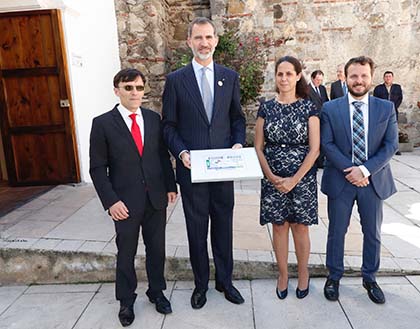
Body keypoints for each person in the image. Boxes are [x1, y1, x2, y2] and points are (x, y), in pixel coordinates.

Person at [162, 17, 246, 310]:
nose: (204, 43)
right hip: (192, 170)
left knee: (223, 227)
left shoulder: (229, 77)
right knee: (196, 230)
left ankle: (225, 281)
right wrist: (182, 153)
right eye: (198, 38)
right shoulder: (175, 81)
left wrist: (237, 143)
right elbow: (168, 126)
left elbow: (237, 118)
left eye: (209, 37)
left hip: (223, 169)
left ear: (216, 41)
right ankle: (200, 285)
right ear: (189, 42)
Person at [89, 68, 177, 327]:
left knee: (157, 250)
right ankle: (126, 301)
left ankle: (157, 292)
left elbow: (162, 155)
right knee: (126, 252)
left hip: (155, 199)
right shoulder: (102, 123)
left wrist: (171, 185)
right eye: (129, 88)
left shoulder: (152, 119)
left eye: (139, 87)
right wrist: (110, 201)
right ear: (117, 91)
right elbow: (97, 168)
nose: (135, 93)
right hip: (124, 203)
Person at [321, 56, 398, 304]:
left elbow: (390, 146)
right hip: (341, 181)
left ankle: (370, 277)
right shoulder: (330, 108)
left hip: (373, 181)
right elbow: (327, 144)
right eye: (354, 76)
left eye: (364, 76)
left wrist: (364, 170)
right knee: (336, 231)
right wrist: (351, 170)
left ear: (371, 78)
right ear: (346, 77)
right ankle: (333, 276)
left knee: (372, 232)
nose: (359, 80)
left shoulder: (385, 108)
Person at [254, 56, 320, 300]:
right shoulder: (266, 107)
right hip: (272, 179)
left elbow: (314, 149)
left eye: (289, 74)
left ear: (298, 76)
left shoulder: (309, 106)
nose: (284, 78)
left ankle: (303, 274)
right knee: (279, 227)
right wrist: (271, 176)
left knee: (300, 228)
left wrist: (294, 179)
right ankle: (283, 275)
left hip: (302, 179)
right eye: (280, 74)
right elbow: (258, 147)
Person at [373, 71, 403, 155]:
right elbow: (376, 100)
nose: (388, 78)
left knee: (394, 130)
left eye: (389, 76)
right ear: (384, 78)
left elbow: (400, 98)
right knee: (381, 130)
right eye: (386, 76)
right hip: (382, 112)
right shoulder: (378, 88)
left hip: (394, 111)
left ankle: (395, 149)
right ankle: (381, 148)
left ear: (392, 78)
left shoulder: (397, 87)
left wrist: (393, 107)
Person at [308, 70, 329, 168]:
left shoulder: (322, 88)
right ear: (312, 78)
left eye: (321, 80)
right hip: (313, 119)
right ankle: (313, 162)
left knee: (321, 140)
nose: (319, 82)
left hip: (323, 119)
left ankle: (320, 162)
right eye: (317, 80)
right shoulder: (306, 90)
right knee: (313, 140)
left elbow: (326, 102)